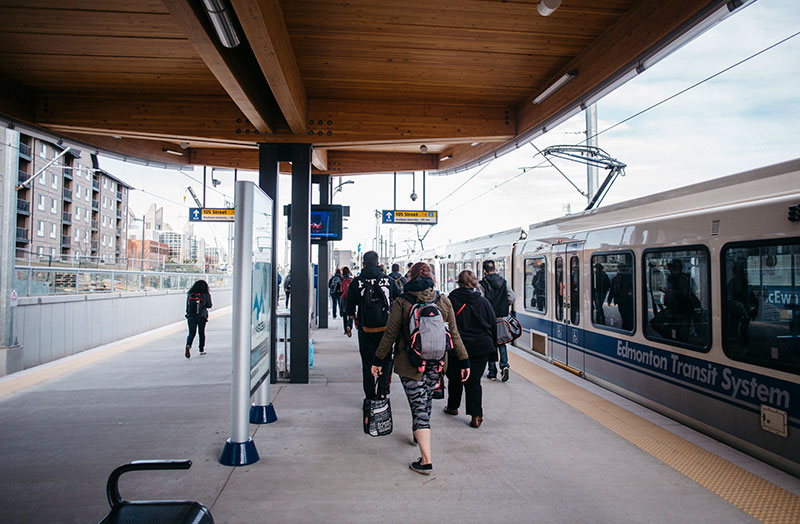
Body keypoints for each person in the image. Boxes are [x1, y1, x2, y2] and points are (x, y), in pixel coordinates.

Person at [372, 262, 470, 475]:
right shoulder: (442, 301)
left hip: (411, 365)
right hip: (437, 363)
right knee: (424, 403)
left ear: (410, 277)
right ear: (431, 278)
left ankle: (425, 460)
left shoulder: (402, 302)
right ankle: (419, 431)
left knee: (419, 408)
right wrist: (464, 361)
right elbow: (454, 334)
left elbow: (390, 334)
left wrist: (378, 360)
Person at [345, 251, 401, 401]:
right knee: (386, 359)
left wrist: (355, 319)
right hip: (386, 329)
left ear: (363, 263)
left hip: (366, 329)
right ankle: (382, 392)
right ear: (377, 263)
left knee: (368, 362)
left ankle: (369, 396)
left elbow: (349, 309)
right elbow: (400, 300)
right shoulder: (389, 281)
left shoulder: (356, 282)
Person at [445, 270, 497, 428]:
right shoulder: (483, 302)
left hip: (458, 346)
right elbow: (493, 326)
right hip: (481, 347)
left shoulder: (451, 300)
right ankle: (476, 415)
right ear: (475, 283)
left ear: (458, 282)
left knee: (454, 377)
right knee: (474, 380)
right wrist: (493, 353)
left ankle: (453, 407)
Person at [480, 259, 515, 382]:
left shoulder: (482, 284)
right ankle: (504, 365)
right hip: (502, 317)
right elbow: (511, 296)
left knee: (491, 344)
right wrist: (504, 306)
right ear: (494, 268)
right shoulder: (504, 282)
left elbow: (481, 300)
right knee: (502, 342)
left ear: (484, 270)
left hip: (488, 318)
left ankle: (492, 372)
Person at [185, 279, 212, 358]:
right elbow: (209, 305)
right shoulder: (206, 294)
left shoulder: (190, 294)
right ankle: (201, 349)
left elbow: (187, 306)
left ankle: (188, 345)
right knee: (201, 333)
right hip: (202, 316)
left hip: (191, 316)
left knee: (191, 333)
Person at [339, 267, 354, 336]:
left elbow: (341, 290)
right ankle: (349, 326)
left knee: (344, 314)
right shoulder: (351, 280)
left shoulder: (342, 280)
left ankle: (345, 329)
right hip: (350, 298)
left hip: (344, 298)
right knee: (350, 313)